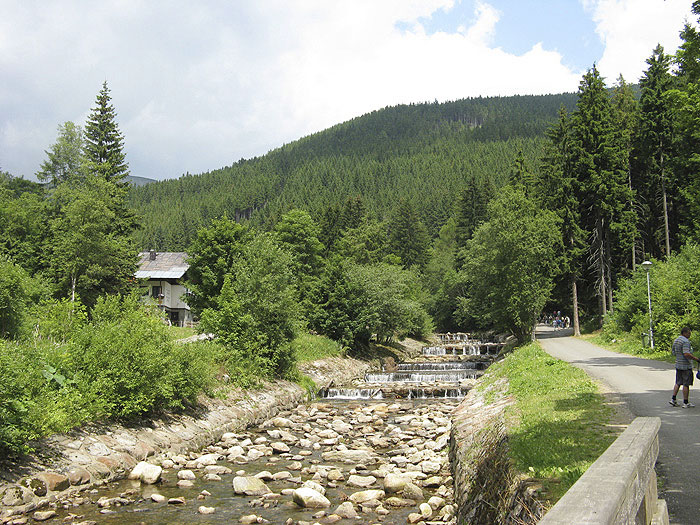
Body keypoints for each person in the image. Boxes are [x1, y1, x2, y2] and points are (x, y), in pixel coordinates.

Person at [670, 327, 700, 408]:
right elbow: (686, 353)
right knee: (686, 384)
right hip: (686, 366)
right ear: (684, 333)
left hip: (678, 364)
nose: (690, 335)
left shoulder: (676, 340)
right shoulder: (685, 341)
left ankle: (673, 399)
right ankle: (686, 402)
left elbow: (673, 352)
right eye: (689, 333)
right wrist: (696, 359)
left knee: (678, 382)